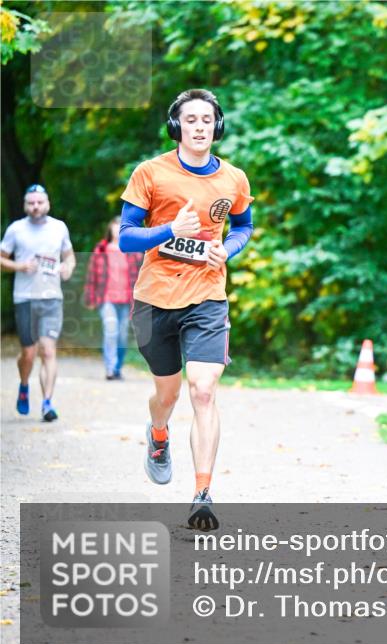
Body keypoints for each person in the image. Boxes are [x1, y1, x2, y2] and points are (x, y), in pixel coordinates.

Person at [119, 88, 254, 530]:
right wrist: (169, 230)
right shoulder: (150, 173)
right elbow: (126, 237)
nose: (200, 127)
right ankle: (159, 434)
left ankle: (202, 494)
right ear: (177, 126)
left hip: (208, 296)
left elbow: (243, 226)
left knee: (202, 389)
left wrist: (227, 250)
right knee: (168, 395)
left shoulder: (233, 178)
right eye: (191, 120)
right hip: (155, 298)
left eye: (207, 119)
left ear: (218, 125)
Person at [0, 184, 76, 422]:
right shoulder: (16, 229)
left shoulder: (59, 227)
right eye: (31, 203)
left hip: (52, 297)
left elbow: (69, 256)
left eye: (39, 202)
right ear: (25, 205)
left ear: (47, 203)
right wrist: (20, 266)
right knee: (29, 354)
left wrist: (68, 268)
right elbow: (1, 258)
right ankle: (24, 385)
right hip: (25, 298)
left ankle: (47, 403)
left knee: (48, 350)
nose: (35, 207)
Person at [84, 217, 143, 380]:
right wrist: (90, 297)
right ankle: (110, 369)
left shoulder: (134, 251)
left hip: (127, 301)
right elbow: (92, 275)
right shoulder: (101, 249)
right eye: (114, 227)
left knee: (122, 335)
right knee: (111, 331)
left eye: (120, 227)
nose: (117, 230)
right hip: (106, 299)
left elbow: (142, 275)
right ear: (109, 229)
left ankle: (117, 368)